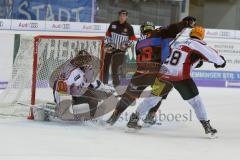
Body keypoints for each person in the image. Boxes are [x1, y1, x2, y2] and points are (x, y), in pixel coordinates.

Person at [127, 26, 226, 137]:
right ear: (202, 36)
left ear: (191, 34)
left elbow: (181, 57)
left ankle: (134, 118)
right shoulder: (198, 44)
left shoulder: (179, 43)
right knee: (196, 101)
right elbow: (214, 56)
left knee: (153, 98)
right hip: (180, 77)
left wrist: (197, 62)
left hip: (164, 73)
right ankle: (206, 126)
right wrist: (221, 61)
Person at [106, 16, 197, 126]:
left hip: (140, 73)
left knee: (129, 96)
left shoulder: (138, 42)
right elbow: (172, 28)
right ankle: (150, 116)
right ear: (152, 28)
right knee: (158, 94)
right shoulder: (159, 32)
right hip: (157, 72)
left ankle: (113, 117)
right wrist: (184, 23)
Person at [34, 50, 115, 121]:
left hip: (77, 94)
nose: (85, 62)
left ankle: (90, 120)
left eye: (86, 60)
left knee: (93, 101)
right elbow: (61, 88)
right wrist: (63, 104)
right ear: (78, 60)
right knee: (65, 113)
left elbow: (95, 83)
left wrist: (107, 91)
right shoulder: (70, 71)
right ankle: (48, 109)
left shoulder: (89, 69)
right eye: (82, 60)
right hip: (64, 94)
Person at [103, 10, 137, 86]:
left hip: (120, 51)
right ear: (119, 16)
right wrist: (109, 44)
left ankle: (116, 84)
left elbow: (132, 40)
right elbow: (107, 35)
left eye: (124, 16)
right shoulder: (113, 24)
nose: (122, 17)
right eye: (121, 15)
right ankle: (104, 83)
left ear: (126, 17)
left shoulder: (129, 27)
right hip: (111, 48)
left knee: (115, 67)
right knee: (106, 65)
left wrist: (125, 45)